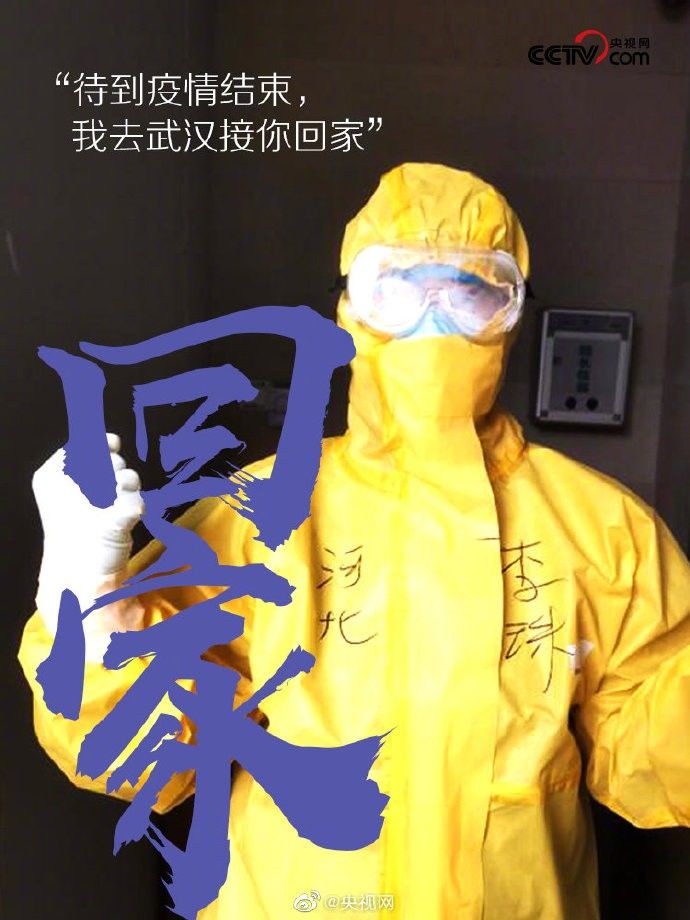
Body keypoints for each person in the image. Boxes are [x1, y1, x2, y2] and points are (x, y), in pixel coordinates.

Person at [19, 162, 690, 919]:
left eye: (471, 291)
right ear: (348, 310)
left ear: (511, 314)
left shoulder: (599, 527)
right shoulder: (263, 515)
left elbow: (651, 742)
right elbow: (146, 760)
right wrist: (91, 598)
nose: (434, 319)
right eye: (396, 288)